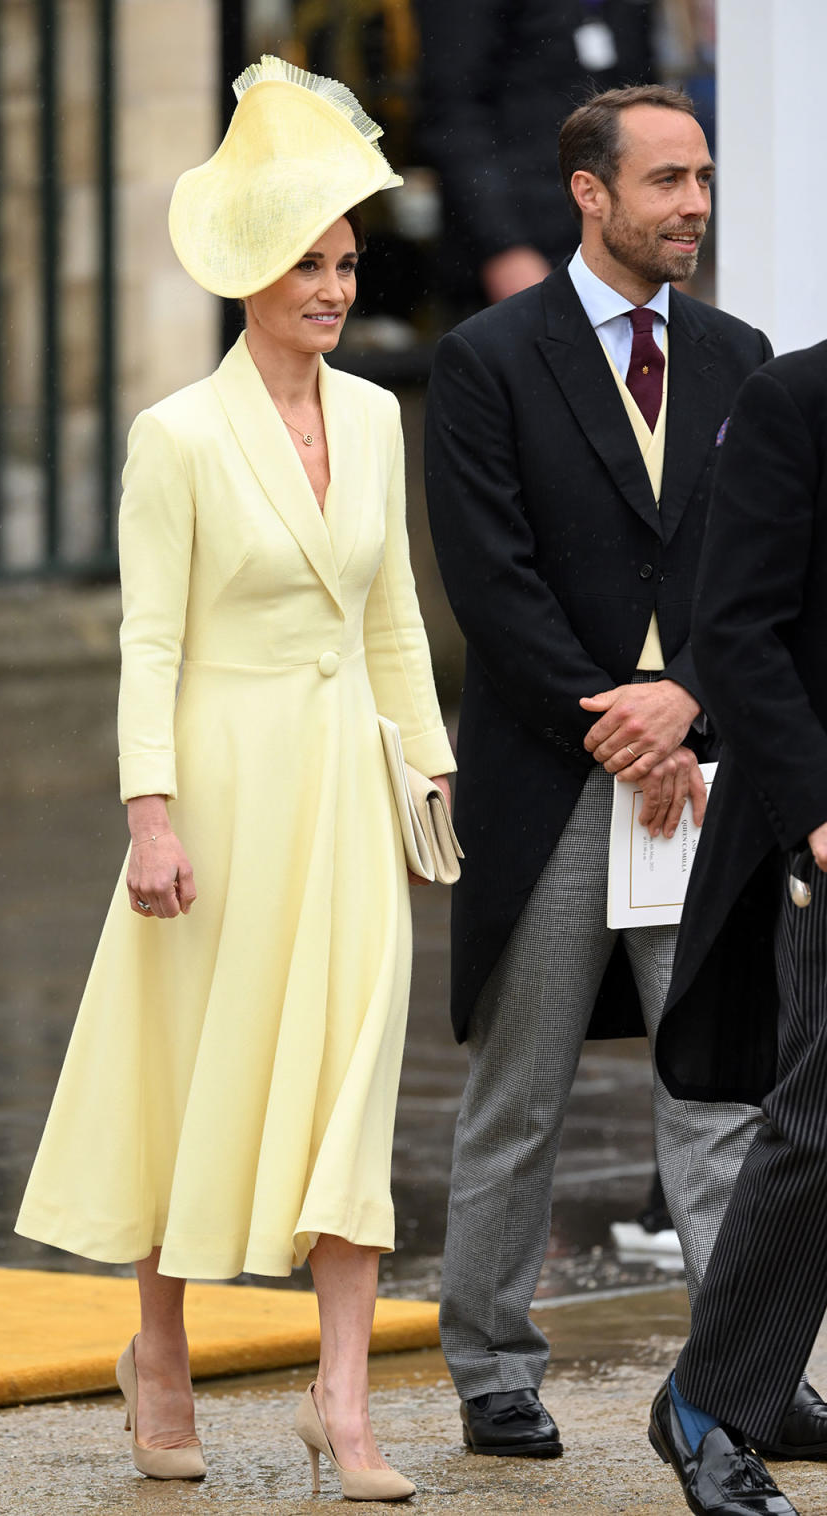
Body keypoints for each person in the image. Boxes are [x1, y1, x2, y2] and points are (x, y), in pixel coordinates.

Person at [15, 55, 455, 1501]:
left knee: (355, 1081)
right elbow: (148, 639)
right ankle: (162, 1356)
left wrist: (428, 788)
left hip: (343, 792)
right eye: (307, 261)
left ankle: (347, 1410)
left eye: (346, 260)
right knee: (188, 1073)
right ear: (252, 270)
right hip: (216, 789)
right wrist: (149, 812)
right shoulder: (179, 436)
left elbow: (391, 619)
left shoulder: (384, 421)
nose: (334, 287)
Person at [424, 84, 774, 1460]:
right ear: (590, 193)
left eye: (701, 179)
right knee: (520, 1093)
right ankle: (492, 1366)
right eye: (666, 180)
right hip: (553, 779)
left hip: (701, 774)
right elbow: (488, 583)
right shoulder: (488, 359)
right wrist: (614, 720)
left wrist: (687, 701)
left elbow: (764, 569)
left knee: (722, 1093)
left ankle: (744, 1370)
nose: (692, 204)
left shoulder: (742, 356)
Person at [649, 343, 827, 1514]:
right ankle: (707, 1404)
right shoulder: (794, 401)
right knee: (821, 1121)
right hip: (823, 834)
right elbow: (738, 631)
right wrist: (818, 809)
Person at [417, 0, 654, 306]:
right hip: (524, 244)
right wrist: (504, 246)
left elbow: (647, 100)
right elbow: (453, 116)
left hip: (619, 243)